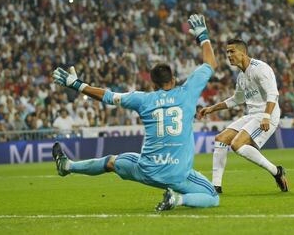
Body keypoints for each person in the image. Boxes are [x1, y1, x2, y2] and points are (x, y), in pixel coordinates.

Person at [52, 14, 219, 211]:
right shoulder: (188, 92)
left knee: (111, 162)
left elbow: (107, 96)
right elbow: (210, 63)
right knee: (212, 197)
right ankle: (177, 200)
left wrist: (77, 85)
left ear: (153, 84)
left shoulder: (142, 99)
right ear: (173, 80)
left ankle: (68, 166)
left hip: (146, 170)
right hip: (178, 173)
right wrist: (203, 35)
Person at [197, 38, 288, 194]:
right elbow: (236, 99)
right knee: (220, 139)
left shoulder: (261, 69)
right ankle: (215, 187)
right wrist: (212, 108)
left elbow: (273, 93)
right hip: (253, 115)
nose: (229, 55)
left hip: (268, 115)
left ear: (243, 52)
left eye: (232, 51)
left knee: (236, 144)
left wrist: (266, 116)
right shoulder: (240, 76)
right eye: (227, 52)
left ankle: (276, 171)